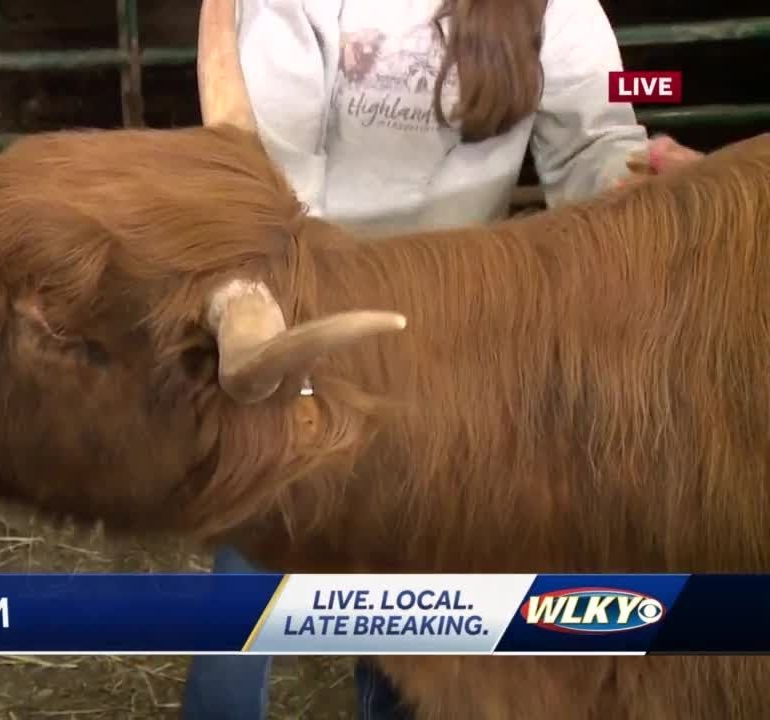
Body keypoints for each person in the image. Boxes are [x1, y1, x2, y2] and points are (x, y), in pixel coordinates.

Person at [182, 0, 703, 718]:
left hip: (457, 348)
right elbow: (280, 186)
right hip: (314, 321)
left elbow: (597, 143)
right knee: (251, 571)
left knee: (421, 597)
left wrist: (646, 189)